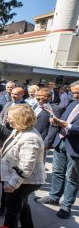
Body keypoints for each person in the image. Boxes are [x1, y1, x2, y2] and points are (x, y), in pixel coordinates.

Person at [35, 81, 79, 219]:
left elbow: (72, 126)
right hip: (61, 142)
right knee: (58, 172)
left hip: (75, 147)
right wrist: (56, 121)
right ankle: (54, 197)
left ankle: (66, 205)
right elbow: (63, 120)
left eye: (77, 92)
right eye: (73, 92)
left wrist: (67, 125)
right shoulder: (72, 103)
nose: (74, 95)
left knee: (72, 177)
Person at [0, 104, 45, 228]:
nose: (7, 118)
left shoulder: (30, 137)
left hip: (25, 180)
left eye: (10, 116)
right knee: (21, 202)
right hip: (20, 178)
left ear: (20, 118)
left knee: (12, 207)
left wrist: (13, 184)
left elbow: (26, 167)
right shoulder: (19, 130)